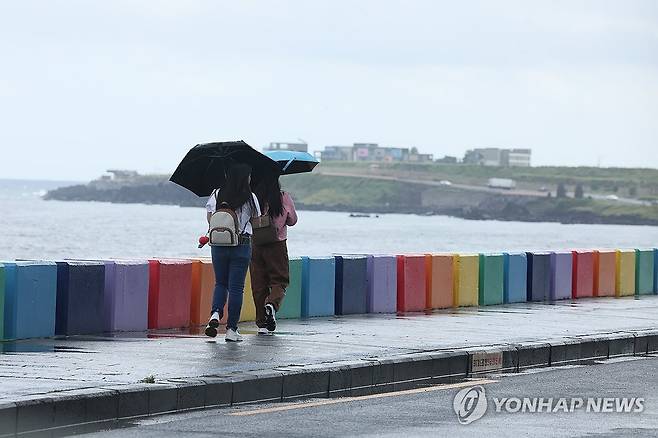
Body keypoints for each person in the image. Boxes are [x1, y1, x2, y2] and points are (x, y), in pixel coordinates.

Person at [204, 163, 260, 342]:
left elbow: (209, 219)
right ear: (245, 177)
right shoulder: (250, 197)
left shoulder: (216, 193)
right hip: (242, 245)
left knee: (220, 283)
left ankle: (215, 314)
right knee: (236, 287)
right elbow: (257, 223)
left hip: (219, 245)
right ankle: (231, 330)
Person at [250, 175, 298, 335]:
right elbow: (292, 221)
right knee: (280, 280)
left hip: (255, 244)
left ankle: (262, 324)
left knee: (258, 284)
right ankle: (272, 303)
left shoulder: (253, 197)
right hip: (277, 244)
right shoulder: (283, 197)